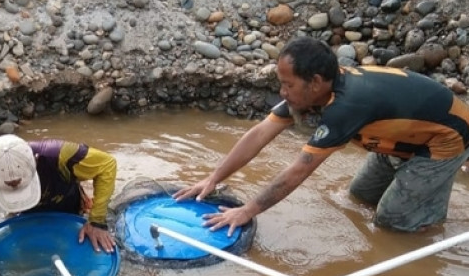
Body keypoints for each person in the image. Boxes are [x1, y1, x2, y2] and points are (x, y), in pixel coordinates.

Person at [174, 36, 469, 236]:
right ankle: (418, 194)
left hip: (445, 138)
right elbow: (261, 132)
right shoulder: (321, 89)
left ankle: (429, 224)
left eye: (287, 84)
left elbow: (300, 169)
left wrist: (247, 211)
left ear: (314, 82)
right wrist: (213, 178)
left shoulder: (346, 106)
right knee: (360, 197)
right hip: (399, 132)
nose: (282, 92)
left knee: (392, 223)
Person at [0, 134, 117, 276]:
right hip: (21, 218)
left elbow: (107, 165)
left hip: (65, 203)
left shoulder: (61, 155)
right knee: (24, 260)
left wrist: (97, 221)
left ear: (35, 161)